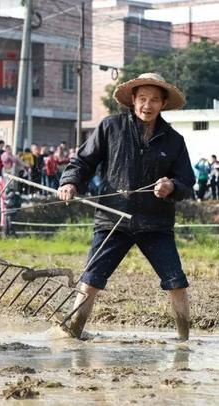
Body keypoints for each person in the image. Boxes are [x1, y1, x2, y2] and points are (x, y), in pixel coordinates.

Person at [57, 72, 195, 341]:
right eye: (142, 98)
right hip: (113, 219)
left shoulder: (174, 140)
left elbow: (187, 182)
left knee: (176, 282)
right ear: (132, 100)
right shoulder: (111, 127)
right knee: (91, 280)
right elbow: (83, 162)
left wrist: (171, 187)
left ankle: (184, 340)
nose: (148, 105)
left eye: (154, 99)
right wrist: (70, 182)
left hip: (155, 224)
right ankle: (72, 334)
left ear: (163, 103)